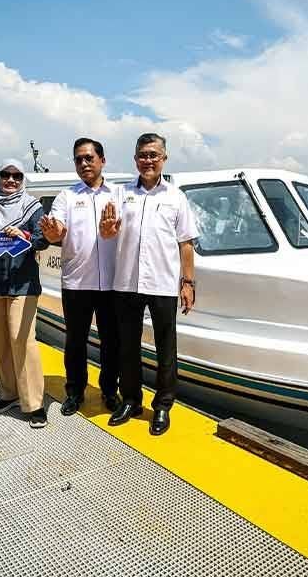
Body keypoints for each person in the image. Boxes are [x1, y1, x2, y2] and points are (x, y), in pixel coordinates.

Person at [100, 133, 198, 435]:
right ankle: (131, 400)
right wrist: (106, 230)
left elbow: (186, 243)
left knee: (166, 347)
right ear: (135, 159)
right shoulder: (120, 194)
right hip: (127, 282)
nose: (148, 160)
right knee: (127, 346)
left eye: (154, 155)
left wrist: (188, 282)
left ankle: (163, 405)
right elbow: (107, 235)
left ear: (164, 158)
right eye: (143, 155)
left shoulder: (175, 197)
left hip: (163, 282)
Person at [40, 138, 120, 416]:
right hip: (76, 282)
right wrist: (53, 233)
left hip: (112, 282)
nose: (84, 163)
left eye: (89, 158)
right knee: (75, 341)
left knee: (112, 341)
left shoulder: (118, 195)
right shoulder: (67, 197)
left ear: (102, 160)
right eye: (78, 159)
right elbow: (58, 228)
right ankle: (75, 392)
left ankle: (110, 391)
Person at [0, 159, 51, 428]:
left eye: (16, 176)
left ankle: (34, 404)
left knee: (22, 339)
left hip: (23, 281)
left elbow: (44, 238)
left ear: (22, 180)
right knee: (1, 339)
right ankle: (9, 393)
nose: (10, 180)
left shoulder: (32, 207)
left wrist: (25, 234)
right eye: (5, 175)